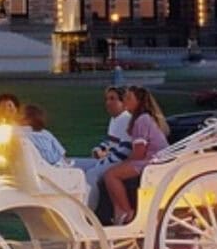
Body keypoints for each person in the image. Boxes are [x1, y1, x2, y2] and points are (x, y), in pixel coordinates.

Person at [102, 86, 170, 225]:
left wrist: (124, 163)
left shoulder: (142, 120)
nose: (125, 101)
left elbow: (139, 153)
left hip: (152, 161)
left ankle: (128, 211)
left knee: (111, 175)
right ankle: (119, 211)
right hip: (149, 158)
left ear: (138, 102)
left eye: (128, 98)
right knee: (111, 172)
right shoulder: (141, 119)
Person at [71, 87, 132, 211]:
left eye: (112, 99)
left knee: (91, 175)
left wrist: (104, 160)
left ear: (123, 103)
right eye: (107, 99)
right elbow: (109, 141)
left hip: (118, 162)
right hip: (109, 158)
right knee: (73, 164)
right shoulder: (114, 119)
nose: (108, 103)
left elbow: (125, 151)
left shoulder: (126, 120)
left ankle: (88, 211)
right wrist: (98, 149)